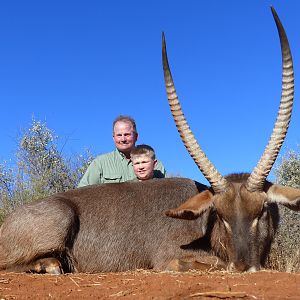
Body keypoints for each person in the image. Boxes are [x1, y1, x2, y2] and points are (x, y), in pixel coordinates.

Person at [78, 115, 166, 187]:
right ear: (113, 138)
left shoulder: (157, 166)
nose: (123, 139)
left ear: (136, 136)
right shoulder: (100, 163)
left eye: (127, 134)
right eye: (119, 135)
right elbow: (81, 193)